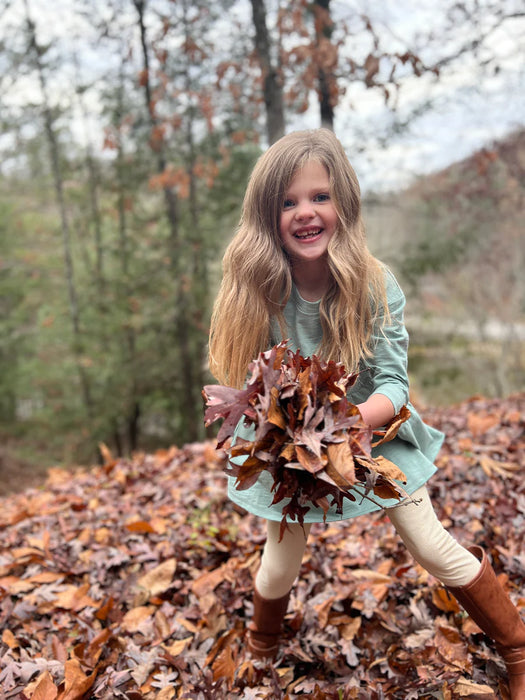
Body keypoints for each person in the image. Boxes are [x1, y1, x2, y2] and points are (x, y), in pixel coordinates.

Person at [207, 129, 525, 697]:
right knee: (279, 567)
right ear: (267, 214)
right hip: (293, 456)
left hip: (371, 436)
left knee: (431, 546)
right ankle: (261, 651)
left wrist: (350, 424)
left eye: (320, 197)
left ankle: (518, 649)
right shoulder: (258, 289)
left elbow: (396, 384)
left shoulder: (375, 285)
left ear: (343, 205)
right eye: (288, 201)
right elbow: (250, 381)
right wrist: (268, 417)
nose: (306, 212)